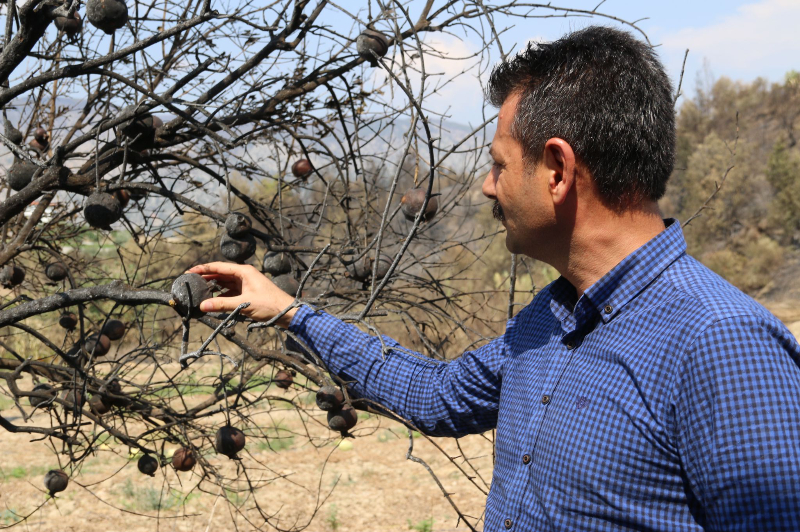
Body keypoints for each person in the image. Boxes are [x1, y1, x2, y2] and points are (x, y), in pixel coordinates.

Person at [189, 26, 800, 532]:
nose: (487, 186)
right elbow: (437, 395)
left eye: (499, 165)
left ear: (557, 170)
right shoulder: (548, 320)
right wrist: (291, 313)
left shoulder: (723, 346)